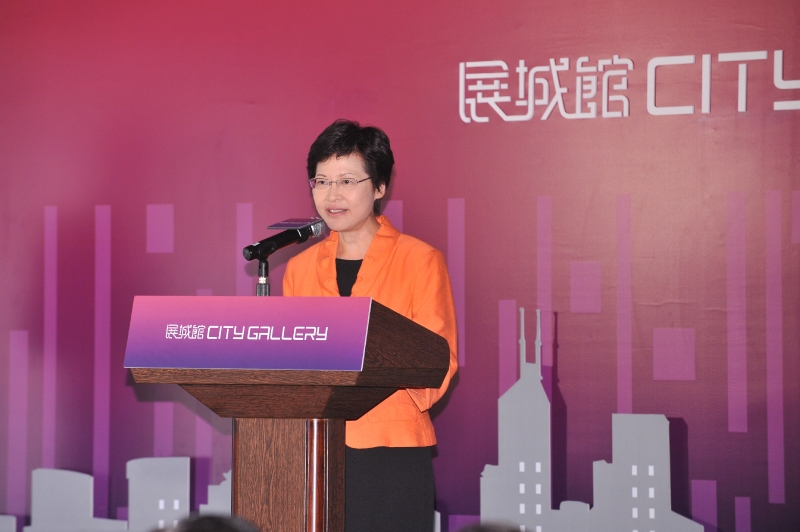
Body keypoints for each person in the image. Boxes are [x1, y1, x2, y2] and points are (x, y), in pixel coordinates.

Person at [282, 119, 459, 531]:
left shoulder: (420, 260)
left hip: (390, 448)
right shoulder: (299, 268)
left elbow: (439, 360)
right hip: (316, 447)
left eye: (347, 180)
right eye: (321, 181)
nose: (332, 195)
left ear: (379, 188)